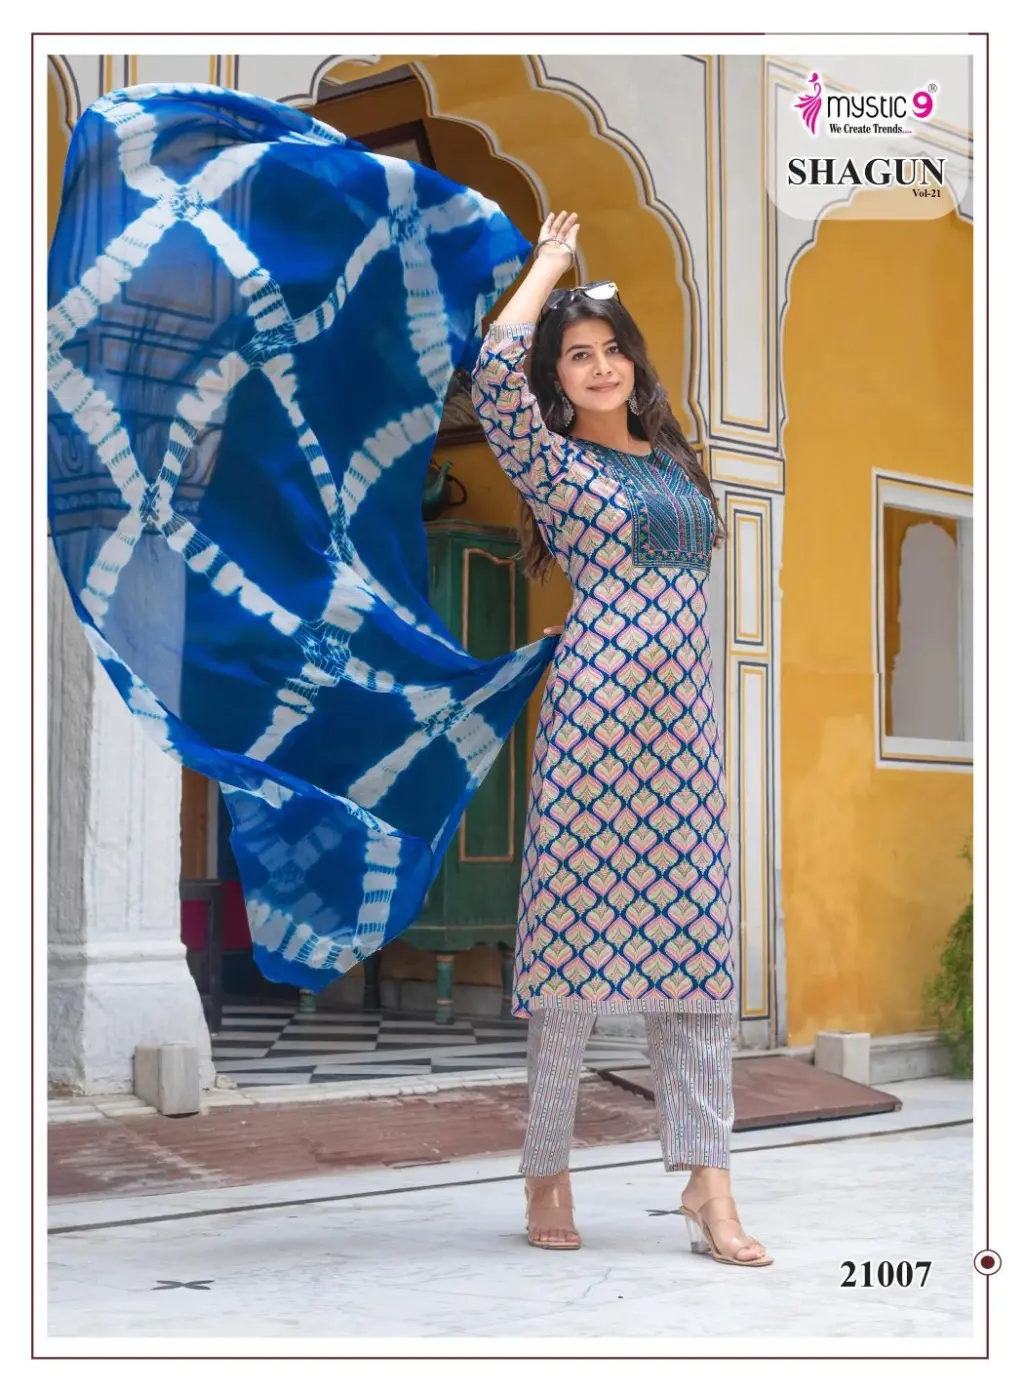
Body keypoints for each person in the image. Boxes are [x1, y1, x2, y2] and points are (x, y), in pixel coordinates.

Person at [470, 211, 771, 1267]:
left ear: (634, 362)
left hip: (684, 736)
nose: (600, 366)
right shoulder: (551, 462)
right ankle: (546, 1164)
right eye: (578, 355)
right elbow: (492, 375)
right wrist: (550, 266)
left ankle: (708, 1181)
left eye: (611, 349)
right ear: (560, 378)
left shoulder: (676, 463)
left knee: (699, 954)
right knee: (568, 953)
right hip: (595, 723)